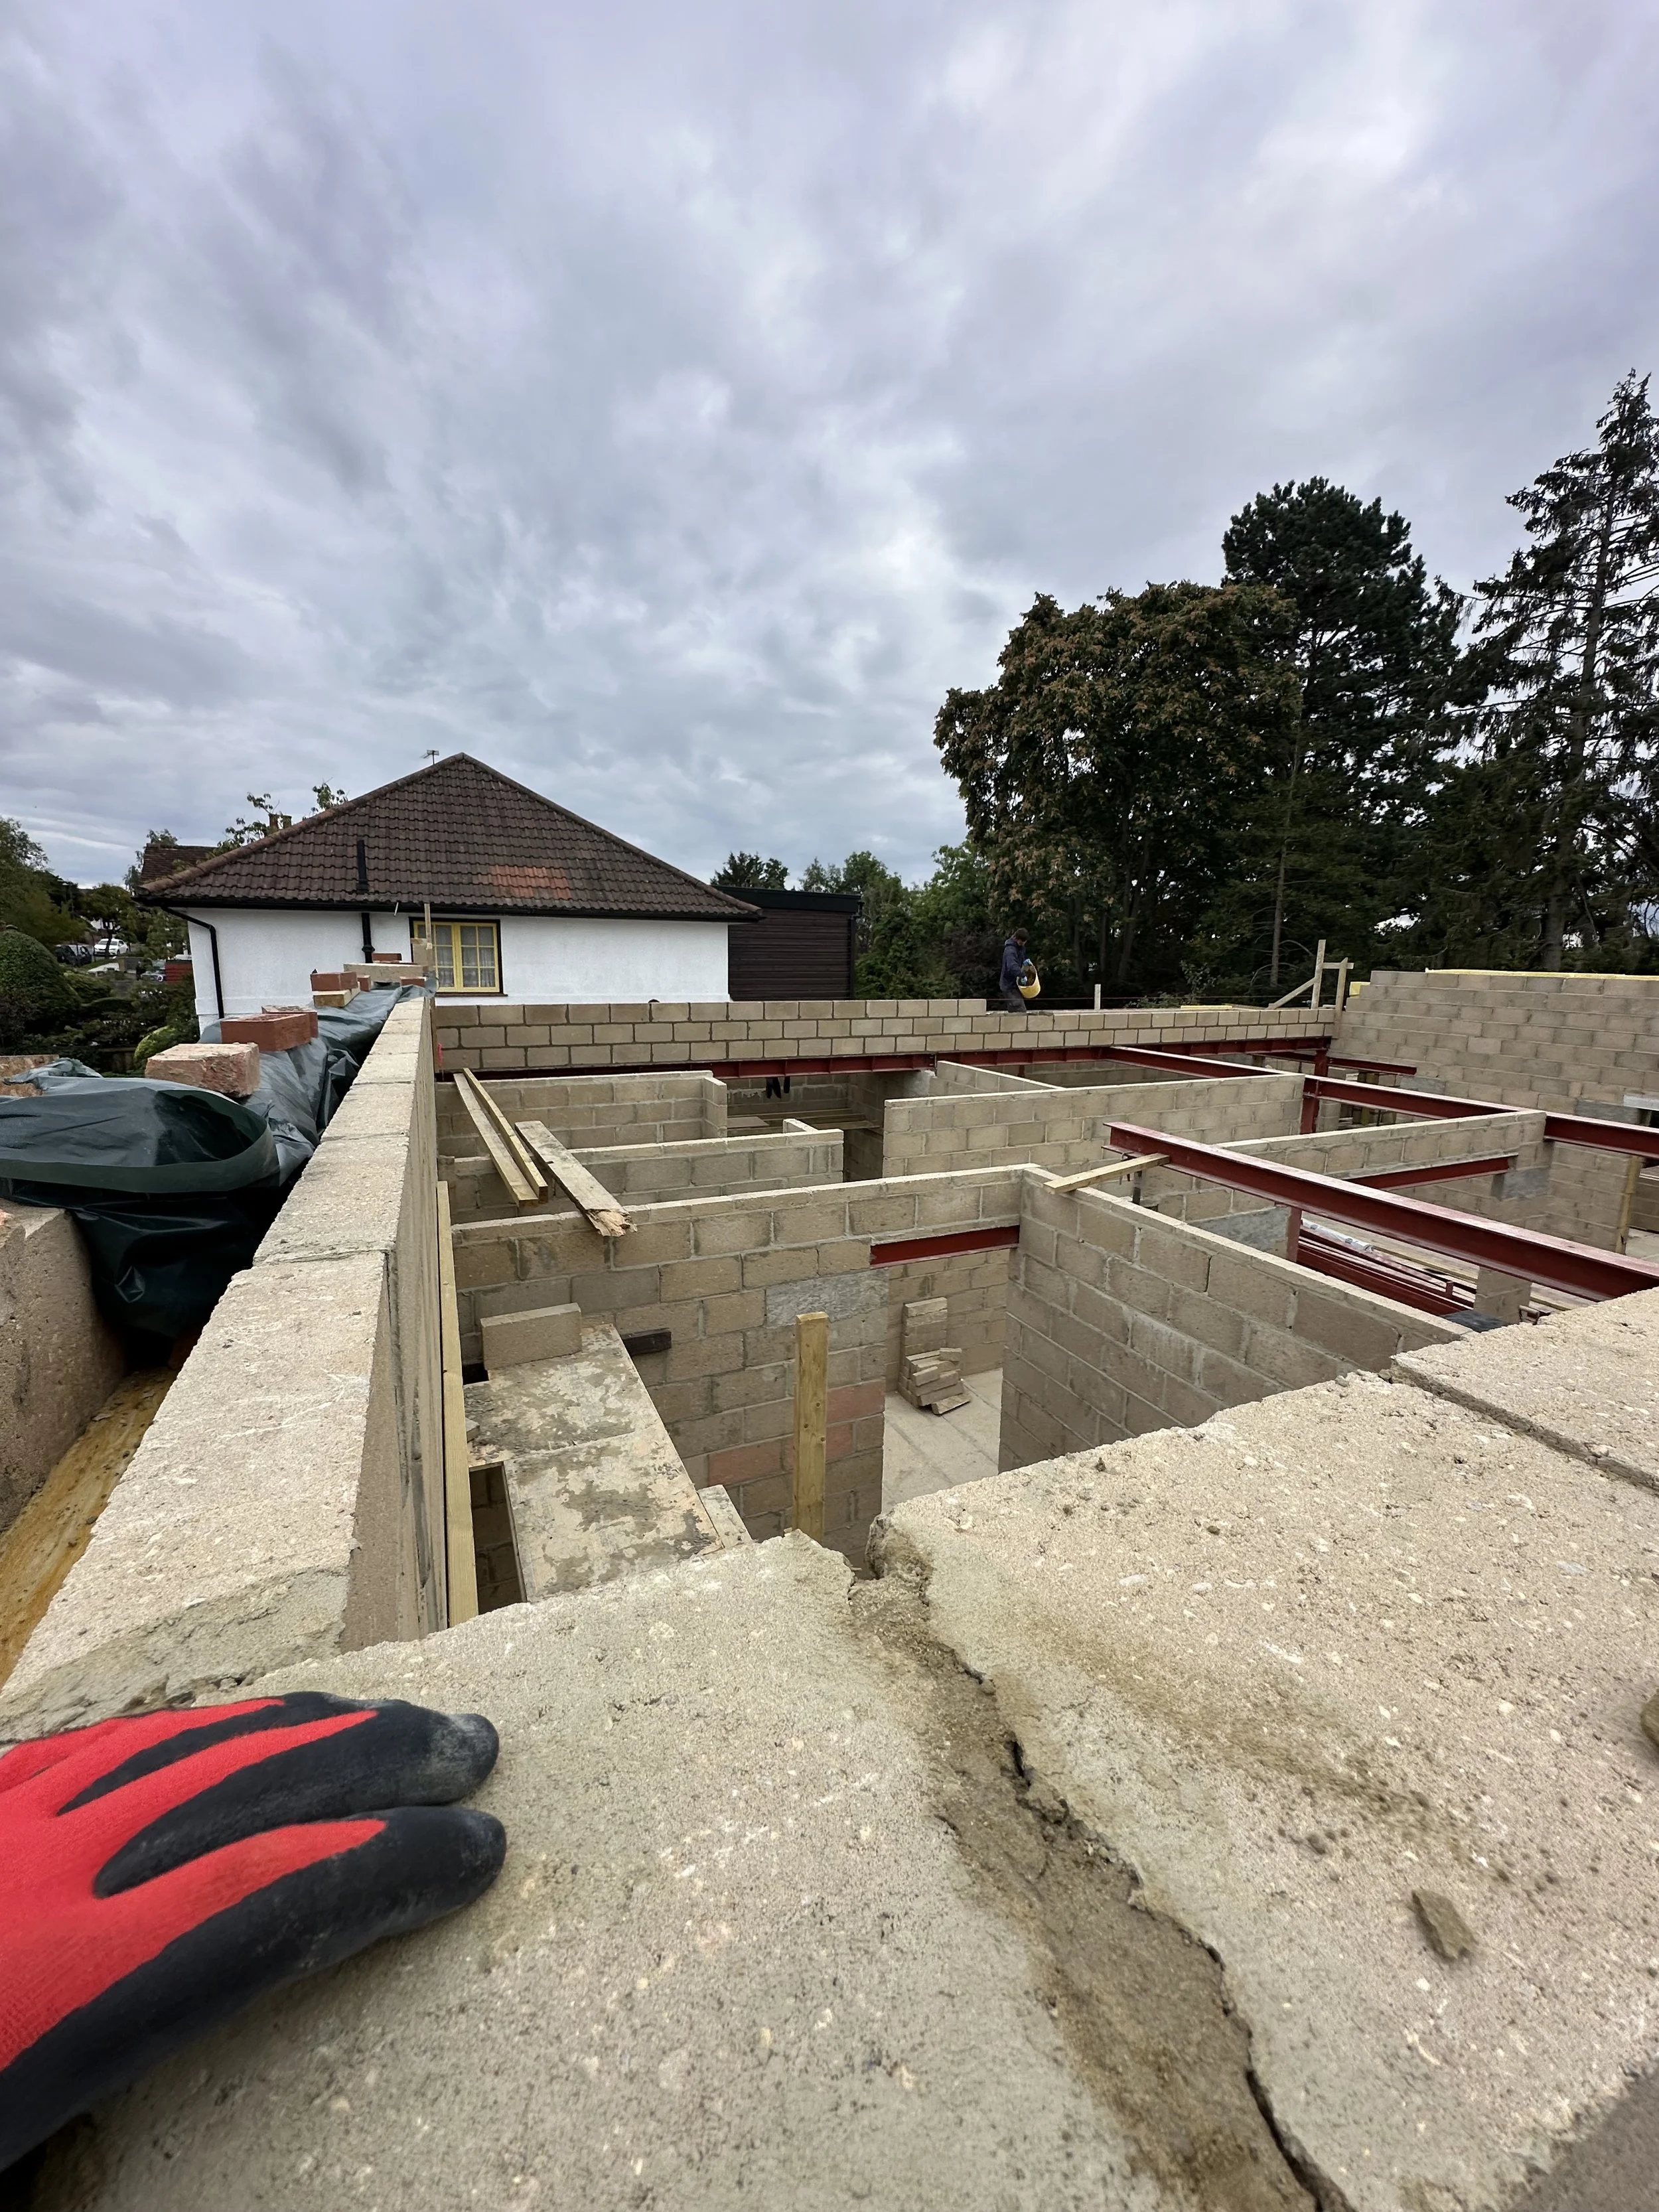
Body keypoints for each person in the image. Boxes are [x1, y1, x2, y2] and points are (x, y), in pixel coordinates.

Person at [999, 929, 1032, 1013]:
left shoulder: (1020, 947)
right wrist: (1022, 975)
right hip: (1009, 986)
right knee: (1020, 1011)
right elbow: (1012, 966)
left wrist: (1027, 964)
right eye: (1021, 943)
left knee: (1014, 1014)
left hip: (1016, 985)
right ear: (1016, 939)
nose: (1023, 944)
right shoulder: (1010, 950)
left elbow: (1021, 960)